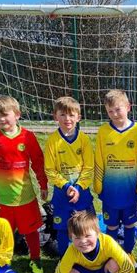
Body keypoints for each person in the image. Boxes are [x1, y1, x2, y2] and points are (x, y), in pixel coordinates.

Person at [0, 95, 48, 273]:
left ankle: (35, 258)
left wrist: (43, 184)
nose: (1, 119)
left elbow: (38, 162)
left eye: (5, 115)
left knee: (31, 230)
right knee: (0, 231)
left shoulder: (27, 137)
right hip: (1, 198)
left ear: (17, 114)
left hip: (25, 196)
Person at [94, 89, 137, 264]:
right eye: (110, 111)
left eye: (118, 109)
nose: (115, 114)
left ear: (128, 107)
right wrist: (98, 186)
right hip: (110, 191)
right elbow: (99, 159)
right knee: (111, 225)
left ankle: (128, 254)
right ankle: (112, 256)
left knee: (130, 224)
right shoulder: (103, 131)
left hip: (130, 190)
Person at [44, 96, 95, 256]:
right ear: (55, 116)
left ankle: (89, 258)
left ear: (78, 117)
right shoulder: (52, 141)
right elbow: (50, 169)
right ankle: (64, 260)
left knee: (87, 227)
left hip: (82, 193)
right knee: (62, 229)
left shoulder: (84, 140)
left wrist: (78, 187)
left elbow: (89, 168)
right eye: (63, 114)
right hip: (61, 194)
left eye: (71, 115)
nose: (67, 119)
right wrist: (66, 186)